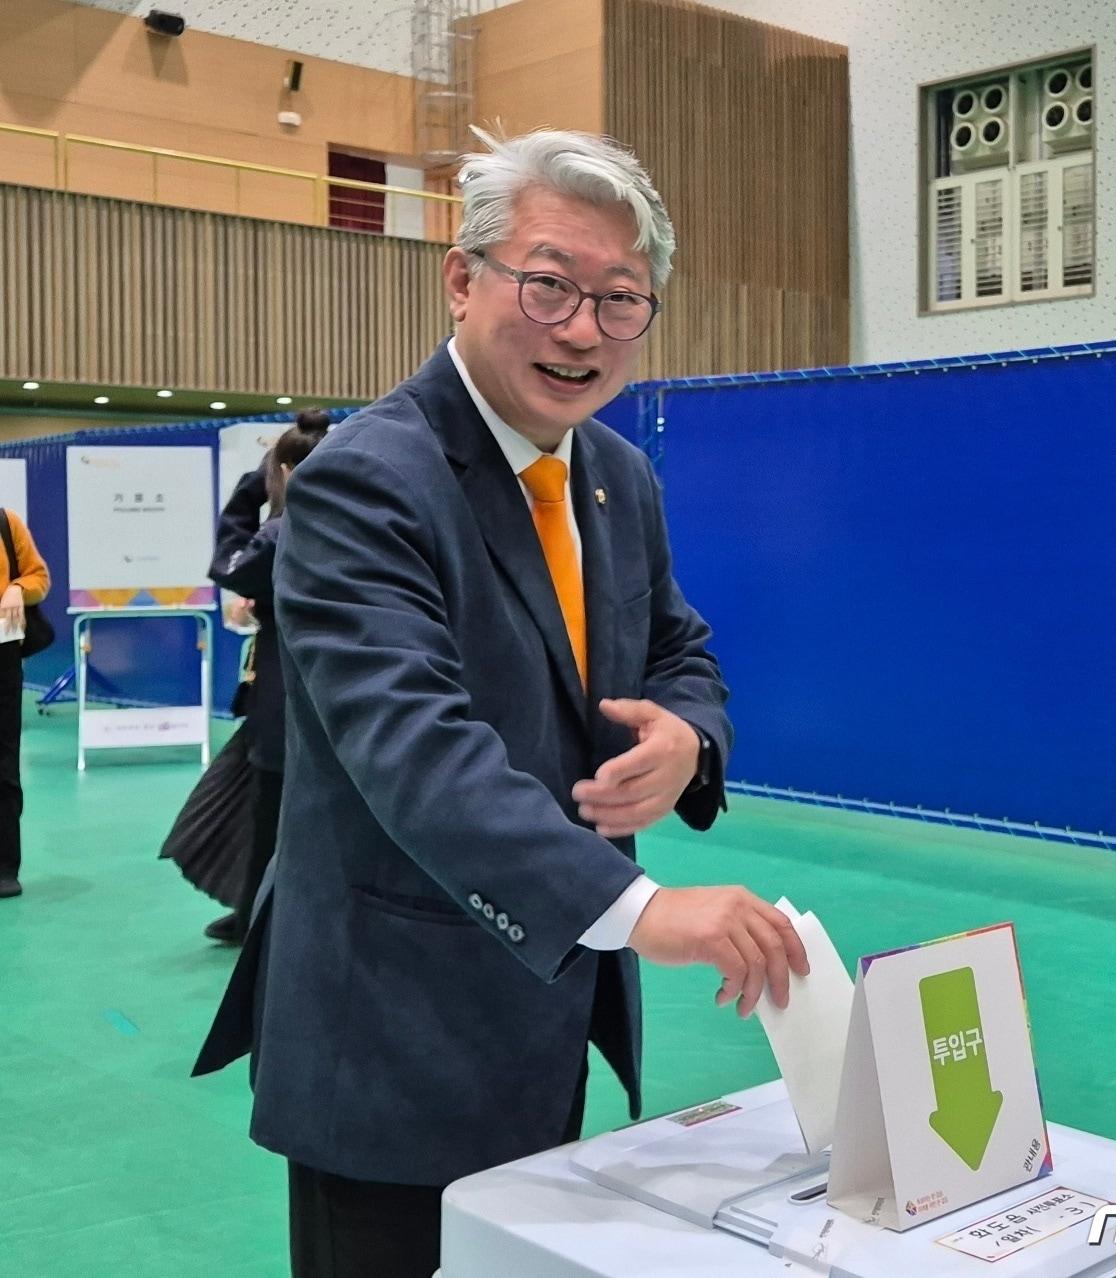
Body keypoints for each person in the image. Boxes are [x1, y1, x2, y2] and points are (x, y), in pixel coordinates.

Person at [194, 127, 808, 1278]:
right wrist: (642, 907)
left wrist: (687, 737)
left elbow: (680, 650)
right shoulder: (368, 480)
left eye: (620, 298)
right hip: (391, 1035)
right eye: (550, 283)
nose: (582, 329)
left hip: (550, 1010)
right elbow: (416, 752)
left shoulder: (618, 478)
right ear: (462, 278)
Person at [187, 410, 330, 941]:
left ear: (286, 473)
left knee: (269, 812)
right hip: (304, 687)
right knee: (259, 805)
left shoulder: (283, 530)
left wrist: (253, 488)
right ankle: (255, 909)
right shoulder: (345, 526)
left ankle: (267, 918)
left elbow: (230, 564)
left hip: (286, 690)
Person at [0, 509, 49, 899]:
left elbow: (39, 577)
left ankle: (4, 865)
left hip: (3, 656)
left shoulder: (7, 523)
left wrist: (18, 586)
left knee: (3, 764)